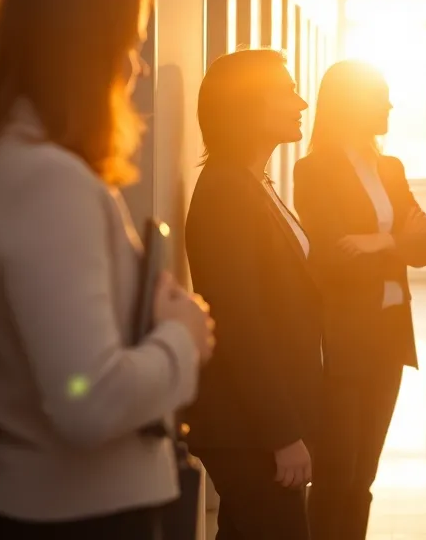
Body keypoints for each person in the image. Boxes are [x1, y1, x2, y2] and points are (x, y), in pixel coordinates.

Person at [0, 0, 214, 540]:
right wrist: (183, 336)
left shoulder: (20, 168)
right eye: (129, 46)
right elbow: (88, 400)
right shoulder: (48, 184)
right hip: (79, 517)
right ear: (82, 58)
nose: (140, 68)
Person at [294, 60, 426, 539]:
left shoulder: (390, 168)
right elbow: (334, 255)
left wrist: (381, 242)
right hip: (344, 339)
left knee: (364, 478)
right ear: (350, 103)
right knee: (338, 474)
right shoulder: (314, 169)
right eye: (380, 96)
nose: (390, 105)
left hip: (390, 338)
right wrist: (398, 239)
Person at [183, 49, 322, 539]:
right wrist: (281, 433)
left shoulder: (250, 181)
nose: (301, 102)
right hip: (248, 428)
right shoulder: (225, 190)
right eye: (286, 92)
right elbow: (240, 322)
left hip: (259, 420)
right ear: (245, 107)